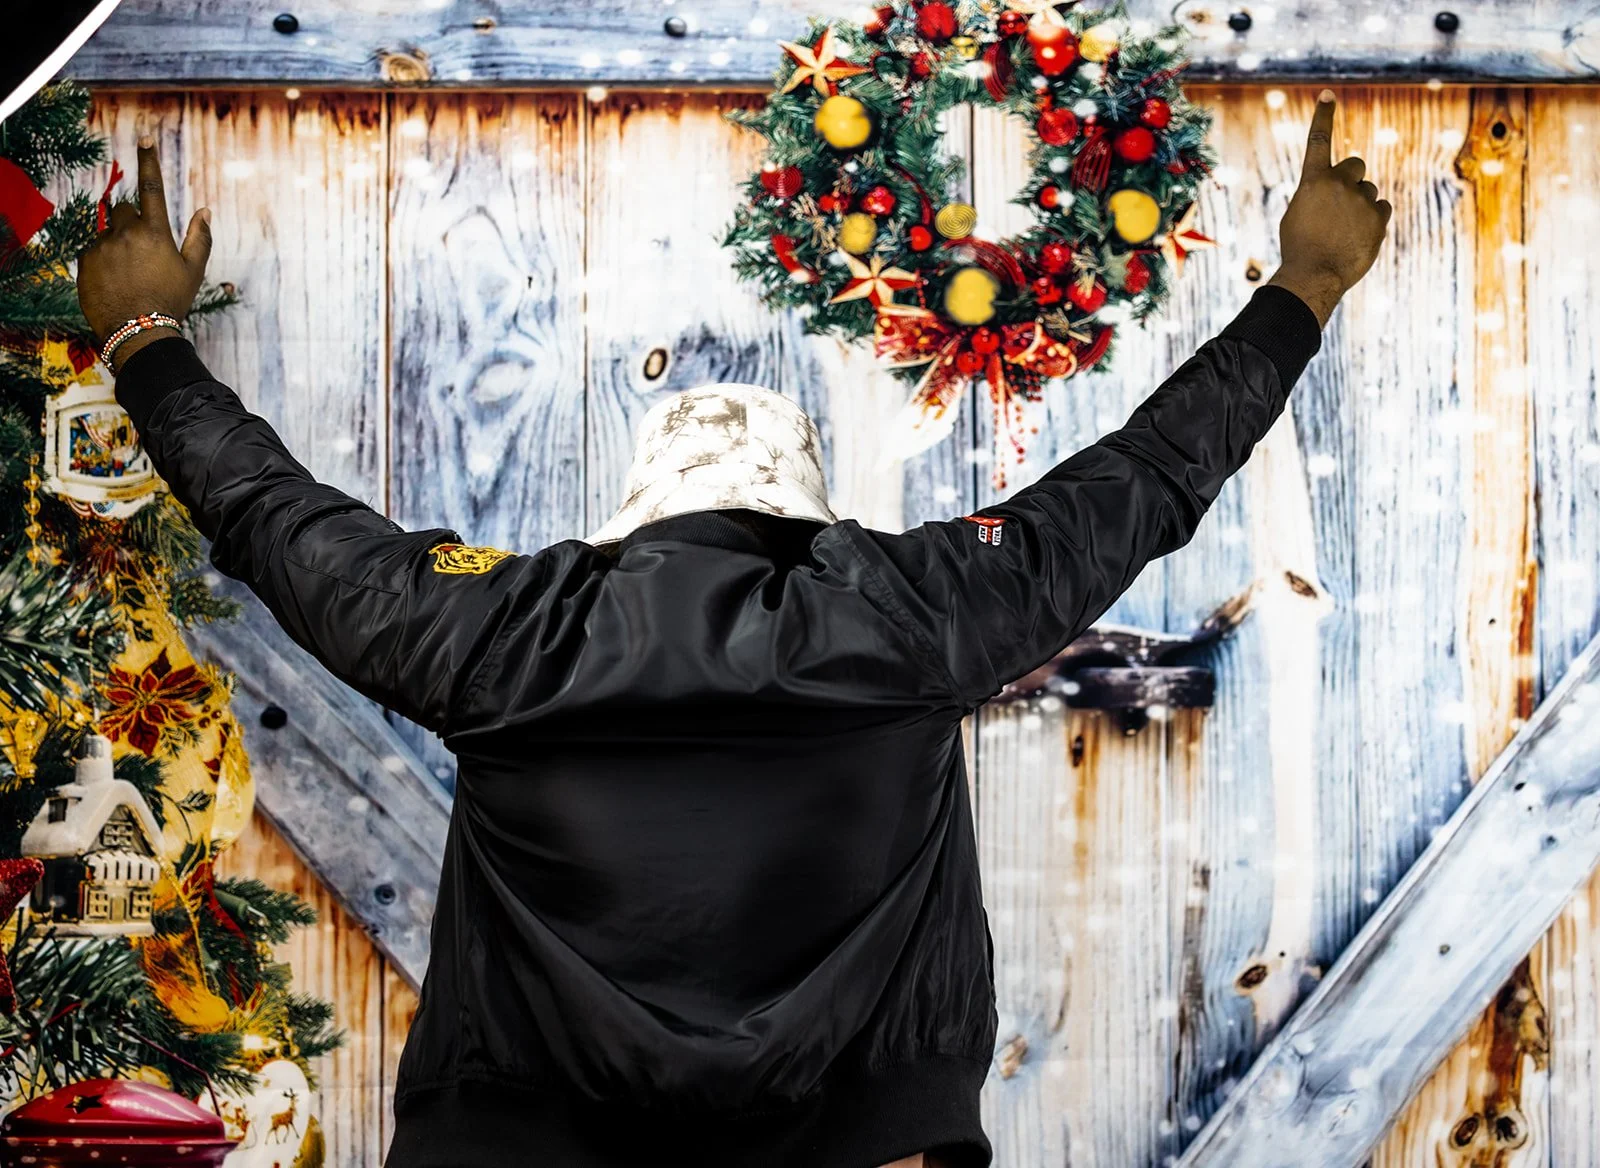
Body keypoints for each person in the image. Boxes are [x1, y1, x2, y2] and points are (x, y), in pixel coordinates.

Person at [77, 90, 1388, 1168]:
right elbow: (1146, 482)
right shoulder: (918, 611)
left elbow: (271, 518)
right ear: (805, 520)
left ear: (637, 520)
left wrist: (144, 338)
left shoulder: (498, 630)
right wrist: (1302, 289)